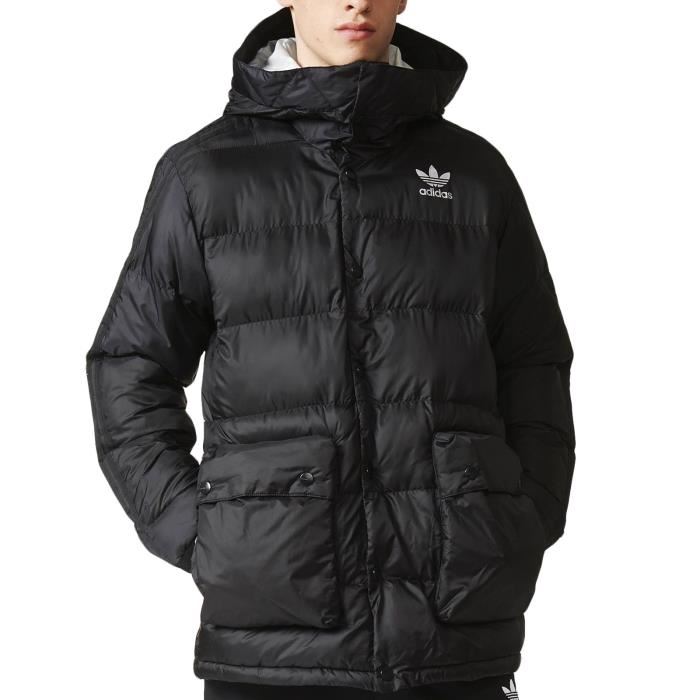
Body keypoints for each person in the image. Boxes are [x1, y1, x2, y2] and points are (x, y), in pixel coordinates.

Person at [85, 2, 576, 699]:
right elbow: (130, 367)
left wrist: (522, 515)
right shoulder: (204, 175)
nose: (355, 2)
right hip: (273, 636)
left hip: (456, 626)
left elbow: (534, 362)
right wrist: (206, 534)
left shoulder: (472, 172)